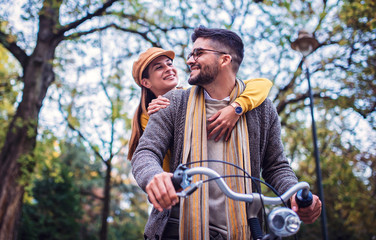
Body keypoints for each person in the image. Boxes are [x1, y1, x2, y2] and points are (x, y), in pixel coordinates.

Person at [131, 26, 322, 240]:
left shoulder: (262, 109)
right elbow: (145, 152)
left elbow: (276, 166)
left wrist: (295, 194)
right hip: (177, 228)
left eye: (198, 53)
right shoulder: (173, 103)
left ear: (224, 60)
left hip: (246, 228)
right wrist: (153, 177)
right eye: (190, 54)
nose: (189, 60)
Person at [128, 47, 273, 172]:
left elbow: (263, 84)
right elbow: (160, 164)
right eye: (159, 67)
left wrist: (236, 108)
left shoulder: (194, 96)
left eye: (169, 63)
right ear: (146, 82)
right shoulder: (150, 113)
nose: (168, 69)